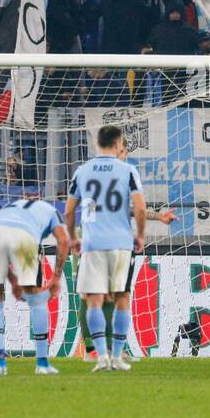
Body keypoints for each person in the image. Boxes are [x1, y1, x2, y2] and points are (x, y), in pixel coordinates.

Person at [65, 125, 146, 373]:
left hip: (92, 244)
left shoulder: (82, 171)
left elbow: (69, 210)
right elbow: (140, 208)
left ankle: (100, 357)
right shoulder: (128, 170)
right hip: (121, 243)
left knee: (94, 300)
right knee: (122, 298)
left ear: (98, 143)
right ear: (118, 143)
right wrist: (140, 235)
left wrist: (72, 238)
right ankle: (118, 357)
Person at [0, 193, 70, 376]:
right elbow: (64, 240)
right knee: (36, 298)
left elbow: (3, 238)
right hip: (24, 236)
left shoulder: (8, 207)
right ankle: (42, 363)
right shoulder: (51, 210)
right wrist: (56, 277)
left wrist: (13, 281)